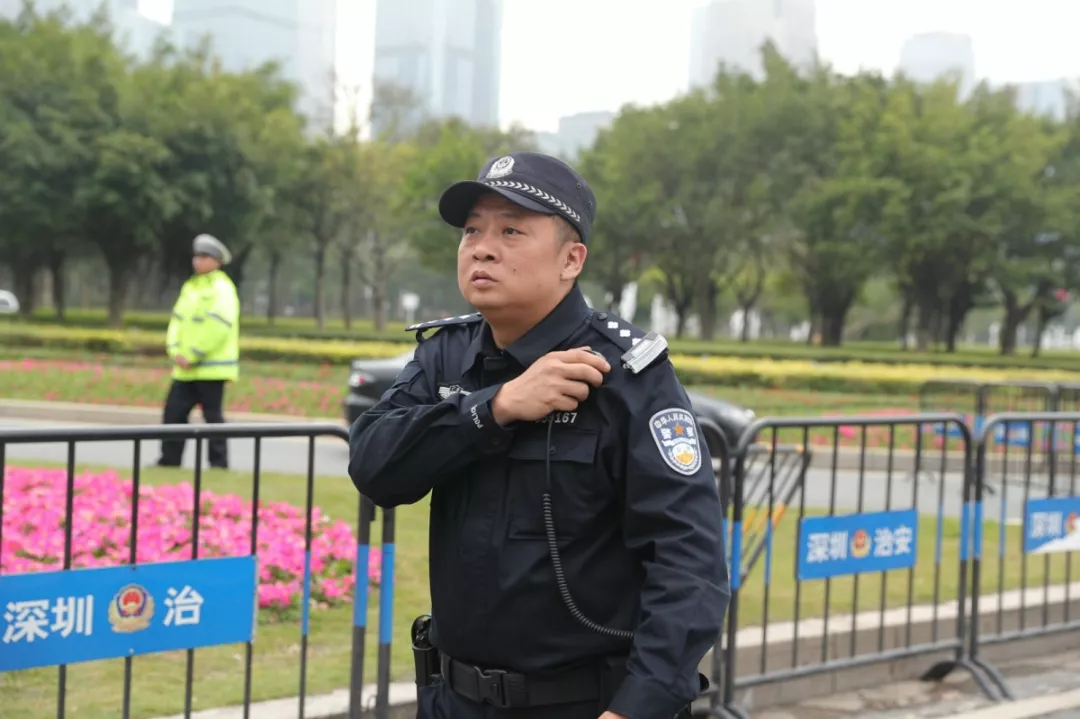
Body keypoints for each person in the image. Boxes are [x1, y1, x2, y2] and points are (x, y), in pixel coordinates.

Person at [348, 151, 729, 719]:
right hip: (454, 700)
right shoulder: (447, 356)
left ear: (571, 259)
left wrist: (638, 707)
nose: (482, 248)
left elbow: (688, 558)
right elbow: (374, 466)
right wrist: (494, 408)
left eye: (511, 231)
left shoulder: (626, 374)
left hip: (582, 703)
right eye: (472, 230)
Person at [156, 234, 240, 469]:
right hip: (185, 369)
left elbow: (219, 326)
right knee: (173, 414)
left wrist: (192, 354)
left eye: (203, 257)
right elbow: (177, 321)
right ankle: (169, 460)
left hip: (211, 369)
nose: (197, 261)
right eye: (196, 256)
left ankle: (219, 463)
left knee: (212, 418)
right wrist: (174, 350)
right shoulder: (190, 287)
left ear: (216, 261)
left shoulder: (222, 289)